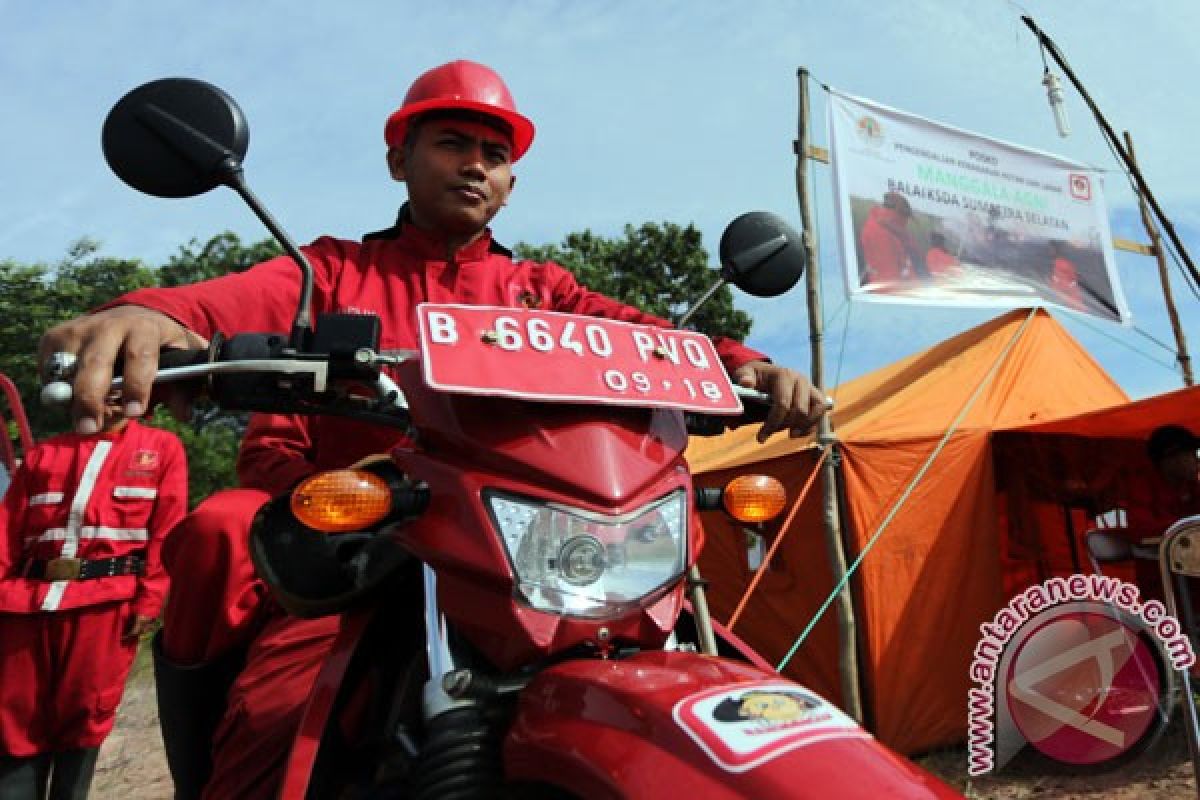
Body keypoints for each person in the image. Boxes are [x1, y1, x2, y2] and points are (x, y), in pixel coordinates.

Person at [38, 60, 828, 798]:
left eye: (494, 151)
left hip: (546, 549)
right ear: (399, 161)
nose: (476, 164)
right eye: (452, 143)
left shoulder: (540, 291)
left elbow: (654, 336)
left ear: (512, 184)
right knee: (275, 716)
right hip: (375, 555)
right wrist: (149, 312)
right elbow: (226, 305)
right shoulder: (330, 273)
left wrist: (747, 364)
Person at [0, 393, 186, 799]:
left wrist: (150, 597)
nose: (112, 396)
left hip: (106, 603)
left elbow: (168, 531)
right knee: (15, 715)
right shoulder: (45, 454)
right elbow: (7, 529)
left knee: (85, 713)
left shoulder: (161, 449)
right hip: (25, 603)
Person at [1123, 424, 1200, 606]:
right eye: (1192, 455)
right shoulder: (1142, 487)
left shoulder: (1191, 487)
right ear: (1170, 459)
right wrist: (1184, 528)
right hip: (1165, 580)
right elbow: (1140, 531)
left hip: (1191, 571)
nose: (1197, 462)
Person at [858, 190, 928, 285]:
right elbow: (889, 280)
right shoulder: (880, 234)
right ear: (899, 214)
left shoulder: (890, 230)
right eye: (906, 217)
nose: (906, 223)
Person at [1048, 239, 1085, 311]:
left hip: (1069, 306)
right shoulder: (1057, 263)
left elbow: (1067, 285)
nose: (1049, 251)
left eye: (1051, 248)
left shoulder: (1062, 264)